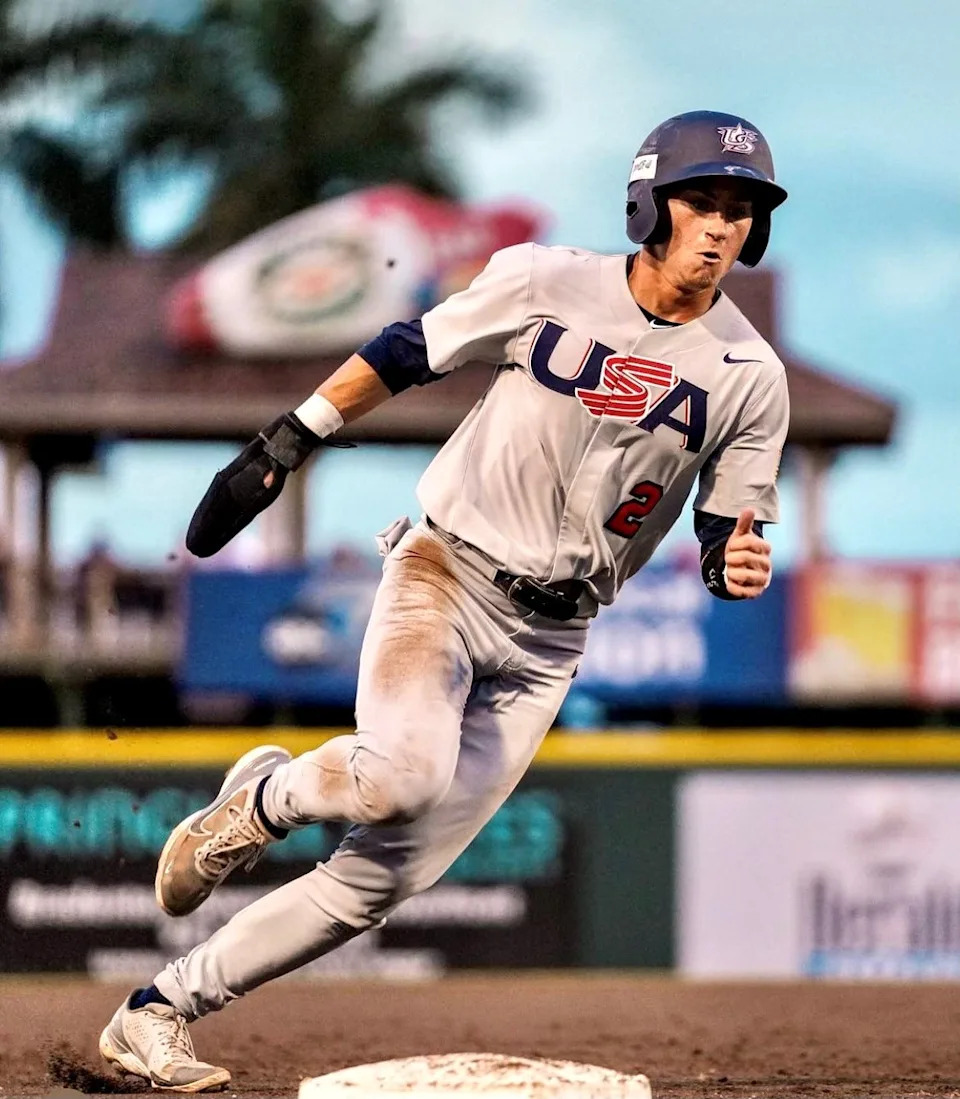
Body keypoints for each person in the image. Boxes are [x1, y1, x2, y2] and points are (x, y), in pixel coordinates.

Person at [98, 109, 790, 1091]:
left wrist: (737, 562)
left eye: (741, 208)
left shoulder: (750, 375)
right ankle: (261, 803)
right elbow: (408, 348)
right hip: (447, 570)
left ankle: (155, 1012)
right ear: (652, 202)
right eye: (702, 200)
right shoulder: (548, 279)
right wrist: (290, 438)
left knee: (383, 880)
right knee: (399, 775)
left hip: (555, 636)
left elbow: (729, 532)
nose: (721, 225)